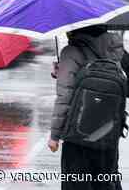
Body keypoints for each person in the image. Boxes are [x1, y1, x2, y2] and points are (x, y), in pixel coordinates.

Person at [48, 26, 125, 190]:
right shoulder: (114, 47)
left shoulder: (71, 52)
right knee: (106, 182)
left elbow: (65, 97)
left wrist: (54, 136)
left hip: (77, 134)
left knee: (76, 183)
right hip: (108, 132)